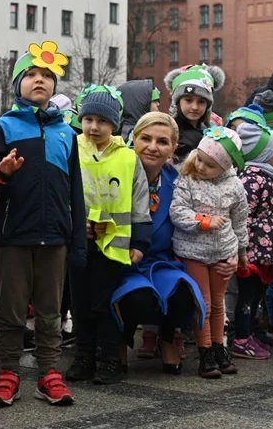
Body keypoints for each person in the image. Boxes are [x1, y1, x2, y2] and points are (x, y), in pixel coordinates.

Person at [0, 41, 85, 408]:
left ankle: (48, 374)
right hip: (16, 236)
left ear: (55, 86)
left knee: (51, 312)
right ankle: (8, 372)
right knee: (11, 309)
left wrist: (77, 241)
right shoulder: (2, 127)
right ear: (17, 83)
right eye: (32, 74)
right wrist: (0, 172)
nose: (40, 80)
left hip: (55, 237)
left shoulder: (67, 133)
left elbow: (76, 192)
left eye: (47, 76)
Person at [64, 86, 151, 385]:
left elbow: (139, 199)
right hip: (79, 243)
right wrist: (75, 226)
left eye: (102, 120)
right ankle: (83, 356)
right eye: (88, 119)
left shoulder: (128, 158)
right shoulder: (71, 149)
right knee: (80, 304)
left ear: (114, 124)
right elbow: (63, 194)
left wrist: (140, 241)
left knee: (106, 304)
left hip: (114, 246)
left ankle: (109, 358)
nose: (94, 127)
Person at [112, 113, 204, 375]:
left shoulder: (181, 183)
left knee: (183, 292)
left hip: (162, 261)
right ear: (133, 140)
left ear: (173, 148)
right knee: (138, 298)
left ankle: (167, 336)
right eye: (146, 138)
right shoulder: (116, 174)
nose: (153, 147)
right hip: (124, 260)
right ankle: (122, 337)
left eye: (162, 141)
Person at [170, 126, 247, 377]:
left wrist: (240, 251)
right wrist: (203, 220)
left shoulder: (235, 186)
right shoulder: (188, 179)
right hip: (194, 251)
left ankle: (218, 347)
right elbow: (177, 211)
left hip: (223, 250)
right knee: (203, 303)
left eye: (210, 165)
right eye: (200, 159)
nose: (202, 167)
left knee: (218, 302)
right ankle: (205, 352)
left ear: (225, 167)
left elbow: (240, 221)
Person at [230, 124, 273, 360]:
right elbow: (243, 214)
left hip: (263, 248)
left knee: (257, 292)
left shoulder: (267, 176)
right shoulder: (253, 178)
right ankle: (240, 337)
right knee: (247, 295)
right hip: (251, 249)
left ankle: (250, 330)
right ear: (265, 154)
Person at [163, 64, 226, 161]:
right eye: (188, 100)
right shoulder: (168, 131)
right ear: (178, 102)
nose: (195, 107)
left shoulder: (211, 132)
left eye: (201, 101)